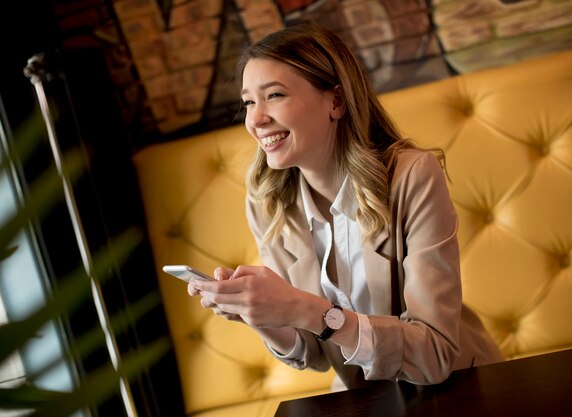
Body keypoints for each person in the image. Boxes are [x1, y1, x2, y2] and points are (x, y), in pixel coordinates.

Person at [188, 24, 503, 389]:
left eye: (274, 95)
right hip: (364, 399)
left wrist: (308, 310)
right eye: (248, 102)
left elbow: (434, 355)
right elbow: (314, 355)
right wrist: (259, 312)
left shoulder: (411, 176)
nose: (256, 119)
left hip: (460, 388)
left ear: (335, 102)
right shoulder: (267, 201)